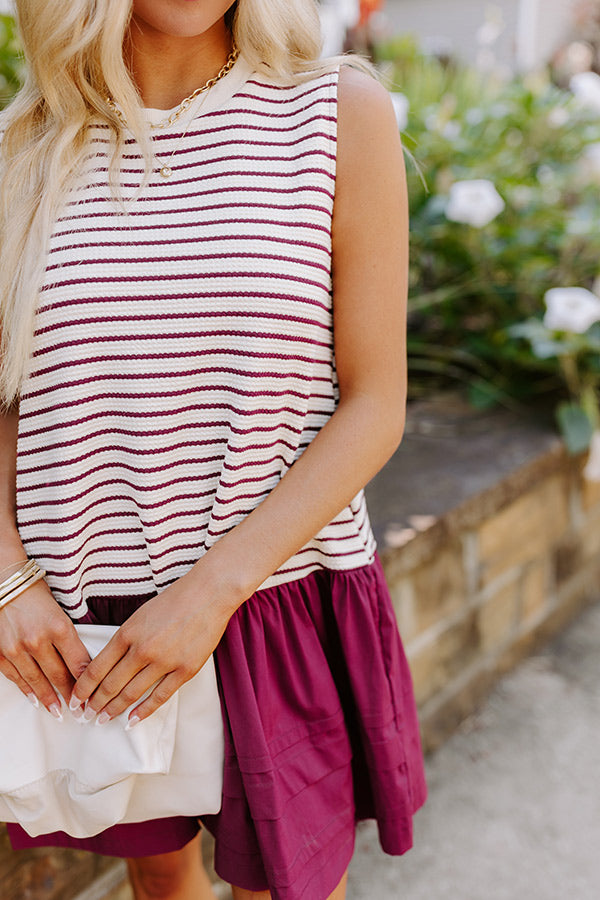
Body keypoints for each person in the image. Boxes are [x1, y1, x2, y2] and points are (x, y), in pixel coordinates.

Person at [0, 1, 427, 898]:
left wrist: (208, 595)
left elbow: (376, 403)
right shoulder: (22, 147)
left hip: (270, 598)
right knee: (162, 876)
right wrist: (7, 578)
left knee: (288, 886)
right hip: (79, 619)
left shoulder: (337, 114)